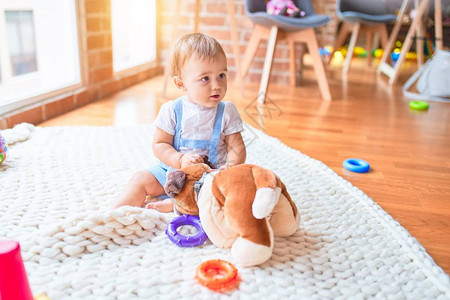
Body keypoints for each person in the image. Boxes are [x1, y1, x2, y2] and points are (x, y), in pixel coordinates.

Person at [112, 33, 246, 212]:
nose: (216, 85)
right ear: (181, 84)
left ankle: (177, 204)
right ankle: (115, 213)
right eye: (205, 78)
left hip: (210, 177)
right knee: (140, 179)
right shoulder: (172, 110)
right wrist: (180, 159)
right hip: (171, 173)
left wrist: (228, 170)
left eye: (221, 75)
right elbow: (160, 144)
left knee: (231, 195)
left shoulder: (226, 111)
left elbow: (236, 148)